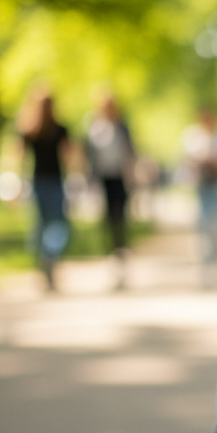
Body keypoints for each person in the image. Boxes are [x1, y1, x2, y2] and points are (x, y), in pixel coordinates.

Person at [18, 89, 72, 290]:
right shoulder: (32, 130)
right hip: (47, 182)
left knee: (46, 226)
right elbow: (70, 157)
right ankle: (49, 261)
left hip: (45, 182)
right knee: (51, 225)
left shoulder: (47, 130)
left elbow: (19, 155)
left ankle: (47, 261)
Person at [84, 92, 137, 287]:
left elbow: (131, 152)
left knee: (120, 220)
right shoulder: (95, 128)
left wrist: (133, 177)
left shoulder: (122, 127)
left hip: (120, 179)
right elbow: (90, 156)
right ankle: (112, 260)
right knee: (107, 221)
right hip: (103, 181)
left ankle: (121, 259)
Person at [181, 107, 217, 287]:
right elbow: (189, 162)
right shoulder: (193, 138)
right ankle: (204, 269)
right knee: (202, 229)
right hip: (201, 188)